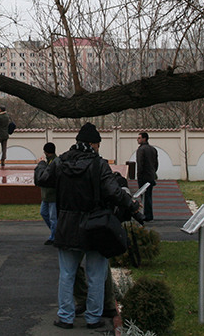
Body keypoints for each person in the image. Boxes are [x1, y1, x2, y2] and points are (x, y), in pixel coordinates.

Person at [35, 122, 137, 330]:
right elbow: (113, 192)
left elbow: (42, 179)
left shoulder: (61, 161)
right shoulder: (99, 165)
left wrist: (41, 164)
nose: (99, 148)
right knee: (96, 275)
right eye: (98, 144)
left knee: (67, 274)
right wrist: (133, 205)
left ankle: (65, 316)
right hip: (95, 226)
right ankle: (93, 318)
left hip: (66, 226)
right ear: (92, 144)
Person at [35, 142, 57, 245]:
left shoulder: (53, 163)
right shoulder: (51, 162)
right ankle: (55, 233)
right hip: (46, 195)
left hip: (52, 195)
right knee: (44, 213)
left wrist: (41, 164)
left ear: (46, 152)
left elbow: (44, 175)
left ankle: (54, 236)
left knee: (53, 218)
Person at [135, 132, 158, 222]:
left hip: (143, 176)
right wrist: (153, 172)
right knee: (149, 195)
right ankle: (149, 214)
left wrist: (139, 175)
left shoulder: (141, 150)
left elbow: (140, 164)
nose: (138, 139)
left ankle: (145, 215)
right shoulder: (153, 149)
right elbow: (156, 163)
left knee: (144, 196)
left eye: (139, 138)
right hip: (151, 175)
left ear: (144, 139)